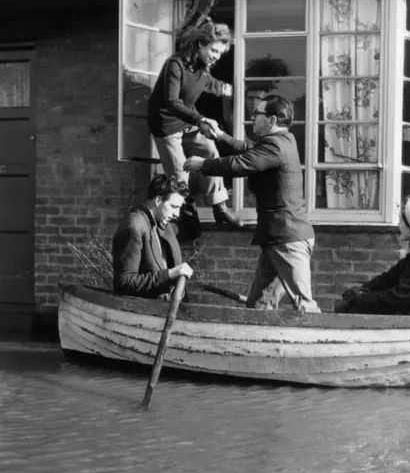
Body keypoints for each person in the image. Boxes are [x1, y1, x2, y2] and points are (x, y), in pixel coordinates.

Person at [183, 94, 320, 312]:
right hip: (277, 237)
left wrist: (203, 164)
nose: (252, 117)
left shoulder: (275, 147)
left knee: (305, 307)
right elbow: (248, 150)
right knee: (259, 305)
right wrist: (219, 135)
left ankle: (321, 343)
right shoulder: (283, 141)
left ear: (272, 120)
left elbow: (241, 164)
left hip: (287, 239)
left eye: (257, 114)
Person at [147, 18, 239, 225]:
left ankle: (219, 208)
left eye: (220, 54)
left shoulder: (203, 67)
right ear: (200, 44)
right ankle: (187, 220)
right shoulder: (176, 64)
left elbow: (207, 83)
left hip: (187, 121)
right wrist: (201, 120)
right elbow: (172, 102)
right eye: (214, 51)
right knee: (180, 173)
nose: (216, 58)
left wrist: (229, 89)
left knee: (210, 152)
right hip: (166, 124)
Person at [334, 198, 410, 315]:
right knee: (353, 307)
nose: (399, 224)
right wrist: (362, 289)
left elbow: (400, 297)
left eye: (401, 220)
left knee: (357, 310)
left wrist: (361, 298)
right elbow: (389, 278)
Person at [112, 174, 194, 299]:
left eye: (179, 208)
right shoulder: (134, 227)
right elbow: (124, 283)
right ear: (157, 201)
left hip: (164, 309)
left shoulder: (163, 222)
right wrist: (170, 274)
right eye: (173, 207)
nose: (177, 214)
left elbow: (193, 230)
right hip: (143, 313)